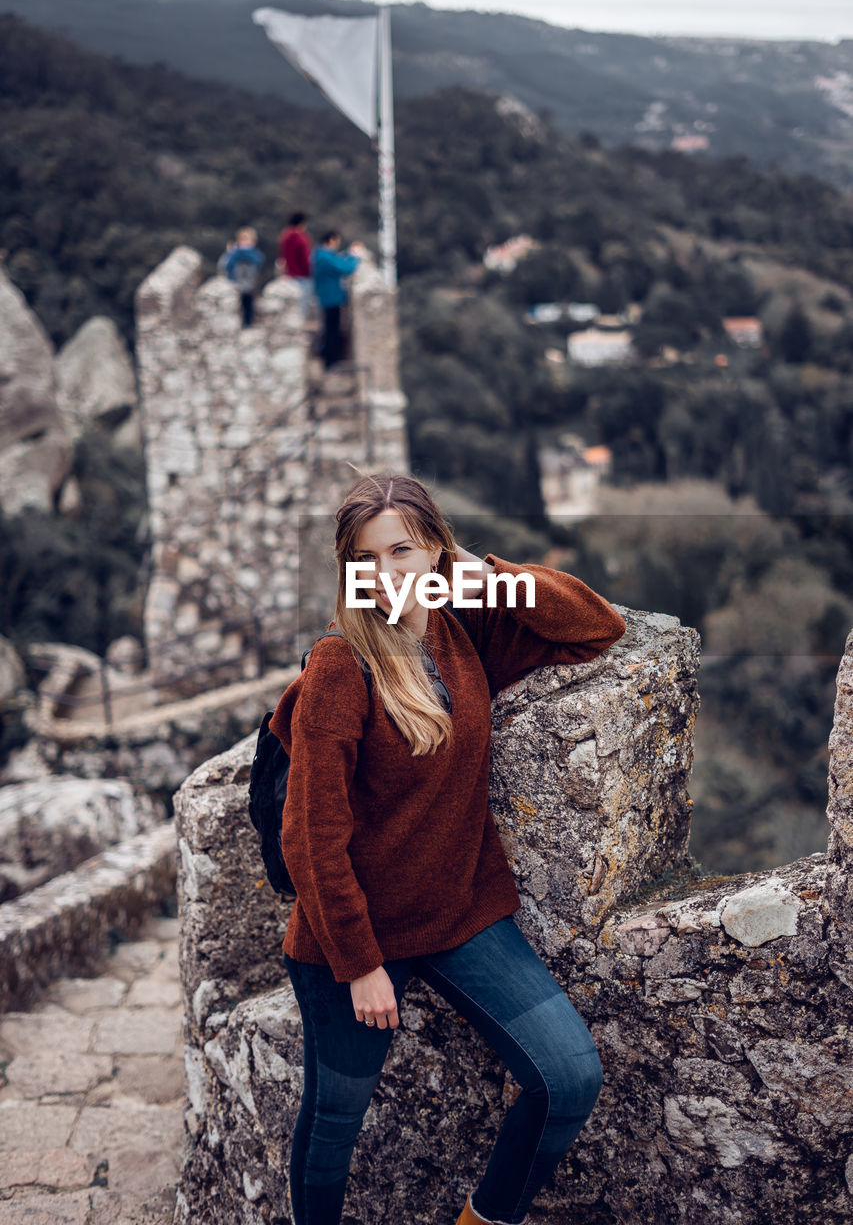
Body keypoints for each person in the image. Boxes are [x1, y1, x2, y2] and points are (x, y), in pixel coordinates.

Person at [269, 471, 626, 1225]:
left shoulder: (463, 635)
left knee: (567, 1077)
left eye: (404, 549)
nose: (389, 571)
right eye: (369, 558)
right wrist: (362, 964)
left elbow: (597, 626)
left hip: (461, 913)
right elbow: (310, 833)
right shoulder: (339, 667)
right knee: (334, 1123)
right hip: (353, 936)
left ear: (436, 546)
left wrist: (486, 577)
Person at [312, 230, 364, 369]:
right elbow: (346, 268)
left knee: (329, 329)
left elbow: (338, 259)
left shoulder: (320, 255)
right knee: (331, 330)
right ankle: (331, 362)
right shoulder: (325, 257)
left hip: (325, 296)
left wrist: (349, 253)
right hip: (331, 298)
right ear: (332, 240)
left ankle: (329, 359)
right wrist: (355, 257)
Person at [220, 227, 265, 328]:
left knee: (249, 304)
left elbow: (259, 261)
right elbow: (227, 265)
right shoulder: (235, 253)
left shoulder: (253, 253)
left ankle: (248, 323)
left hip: (249, 283)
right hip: (237, 283)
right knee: (237, 304)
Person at [278, 211, 314, 322]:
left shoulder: (284, 236)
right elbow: (305, 258)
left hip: (289, 275)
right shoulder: (301, 237)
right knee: (302, 308)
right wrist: (310, 271)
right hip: (302, 276)